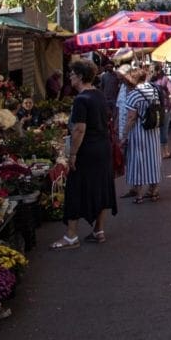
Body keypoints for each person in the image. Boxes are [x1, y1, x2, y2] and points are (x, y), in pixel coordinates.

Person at [50, 59, 117, 249]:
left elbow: (79, 129)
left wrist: (72, 155)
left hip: (87, 149)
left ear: (79, 76)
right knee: (102, 186)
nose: (69, 77)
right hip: (103, 147)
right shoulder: (99, 95)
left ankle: (71, 236)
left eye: (71, 74)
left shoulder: (81, 99)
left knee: (76, 188)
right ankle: (99, 230)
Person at [120, 67, 162, 203]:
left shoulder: (134, 94)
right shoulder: (154, 89)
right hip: (153, 130)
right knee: (153, 160)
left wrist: (124, 135)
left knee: (137, 161)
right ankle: (154, 191)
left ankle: (138, 195)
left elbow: (131, 117)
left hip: (139, 131)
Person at [152, 67, 171, 159]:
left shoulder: (147, 81)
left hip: (152, 110)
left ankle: (157, 153)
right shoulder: (164, 79)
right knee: (164, 129)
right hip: (164, 108)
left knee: (154, 131)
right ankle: (165, 152)